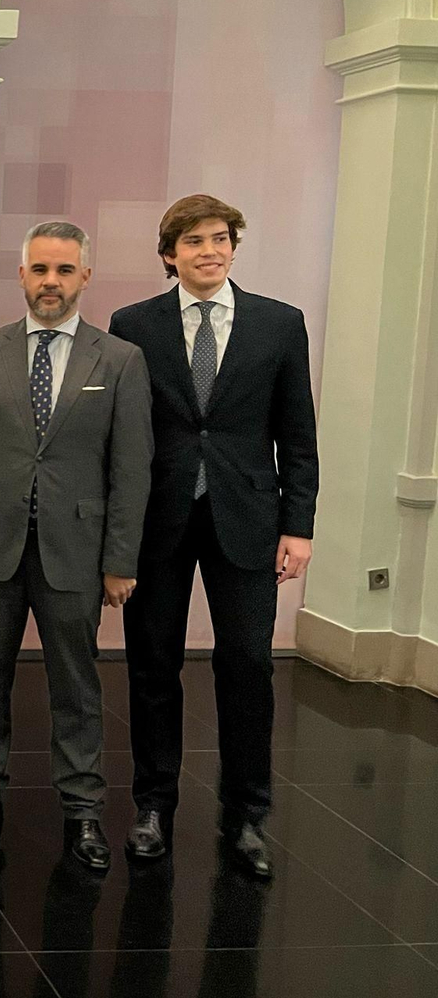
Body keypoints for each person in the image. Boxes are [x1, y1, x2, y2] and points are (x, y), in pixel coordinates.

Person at [110, 194, 318, 878]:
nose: (210, 250)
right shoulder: (132, 324)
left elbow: (298, 434)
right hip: (157, 520)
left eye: (220, 238)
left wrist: (299, 525)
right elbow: (123, 433)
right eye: (194, 240)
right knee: (152, 665)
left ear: (234, 245)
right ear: (170, 254)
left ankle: (248, 815)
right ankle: (153, 807)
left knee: (248, 667)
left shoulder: (278, 324)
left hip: (250, 519)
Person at [0, 221, 153, 870]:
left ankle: (83, 810)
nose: (49, 282)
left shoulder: (118, 360)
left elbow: (131, 469)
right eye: (39, 270)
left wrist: (120, 560)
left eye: (63, 270)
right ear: (21, 275)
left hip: (77, 553)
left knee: (77, 688)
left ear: (85, 276)